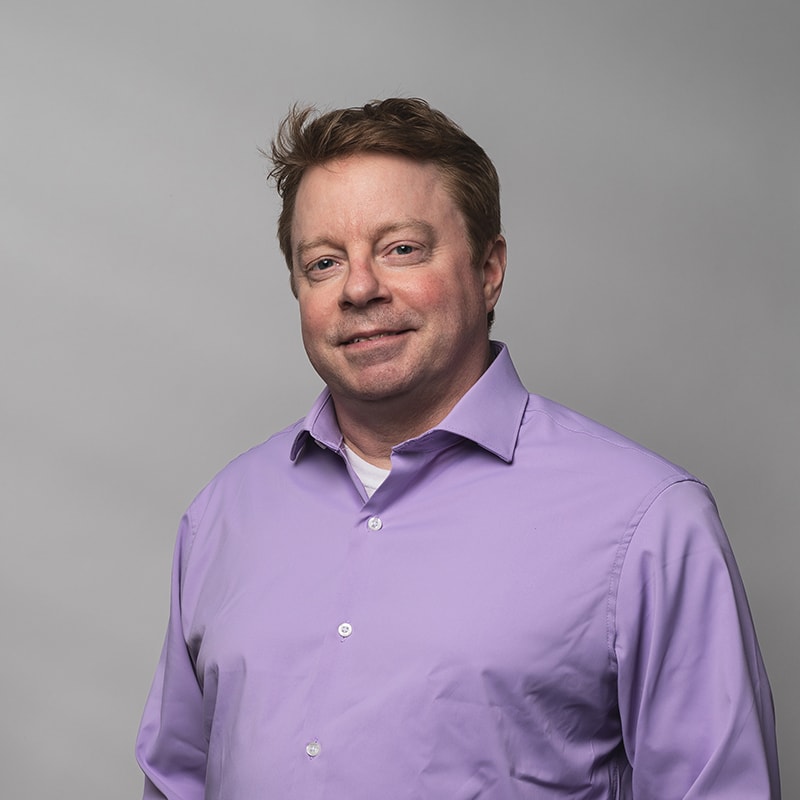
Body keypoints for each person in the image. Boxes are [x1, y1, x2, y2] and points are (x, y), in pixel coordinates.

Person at [136, 98, 780, 798]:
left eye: (401, 249)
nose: (359, 288)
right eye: (323, 262)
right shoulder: (223, 516)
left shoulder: (648, 523)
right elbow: (176, 781)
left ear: (489, 268)